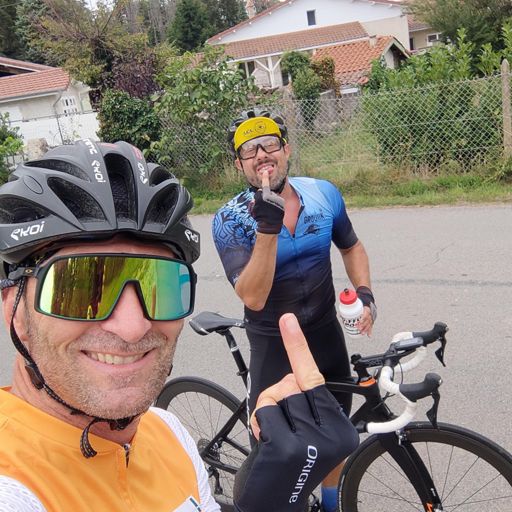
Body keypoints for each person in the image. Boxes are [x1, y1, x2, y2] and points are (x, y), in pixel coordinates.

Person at [0, 140, 358, 512]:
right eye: (81, 288)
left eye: (161, 285)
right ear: (14, 309)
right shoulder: (11, 490)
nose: (132, 327)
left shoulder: (168, 432)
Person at [212, 108, 376, 512]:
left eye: (269, 143)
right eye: (249, 149)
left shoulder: (323, 194)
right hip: (273, 345)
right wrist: (267, 228)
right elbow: (252, 297)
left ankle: (332, 504)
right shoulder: (230, 219)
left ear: (285, 150)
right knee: (280, 453)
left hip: (325, 334)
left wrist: (365, 294)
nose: (261, 154)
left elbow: (352, 246)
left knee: (336, 435)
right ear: (239, 164)